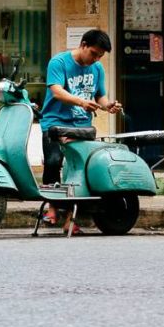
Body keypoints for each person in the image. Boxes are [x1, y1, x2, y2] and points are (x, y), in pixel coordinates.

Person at [40, 29, 122, 230]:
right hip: (55, 122)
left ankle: (70, 220)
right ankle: (51, 206)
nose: (96, 59)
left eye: (100, 56)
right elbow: (57, 92)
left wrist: (108, 105)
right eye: (94, 53)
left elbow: (100, 96)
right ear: (83, 45)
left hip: (82, 126)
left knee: (78, 171)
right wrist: (81, 102)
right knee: (53, 162)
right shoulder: (58, 62)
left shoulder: (97, 68)